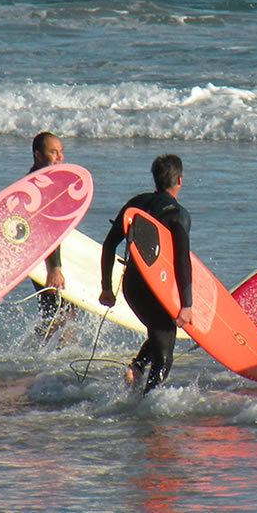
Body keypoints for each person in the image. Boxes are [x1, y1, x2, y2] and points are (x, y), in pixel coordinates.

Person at [99, 155, 192, 393]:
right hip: (156, 287)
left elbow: (109, 245)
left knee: (159, 330)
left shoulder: (137, 203)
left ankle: (137, 368)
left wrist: (107, 288)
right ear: (179, 180)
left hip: (132, 285)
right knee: (164, 356)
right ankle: (145, 406)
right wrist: (187, 304)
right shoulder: (178, 214)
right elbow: (182, 259)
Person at [29, 131, 76, 340]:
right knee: (60, 315)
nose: (60, 157)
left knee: (61, 314)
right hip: (44, 262)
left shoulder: (40, 182)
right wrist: (54, 269)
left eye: (61, 152)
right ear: (38, 155)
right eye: (53, 152)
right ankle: (40, 357)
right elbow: (48, 231)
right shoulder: (38, 187)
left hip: (45, 259)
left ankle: (41, 353)